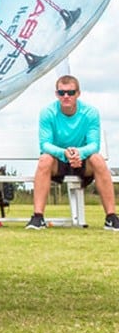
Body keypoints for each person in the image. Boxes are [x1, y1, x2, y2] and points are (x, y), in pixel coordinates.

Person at [27, 74, 118, 230]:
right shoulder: (47, 113)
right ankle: (38, 218)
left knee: (98, 159)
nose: (66, 96)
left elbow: (94, 145)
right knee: (44, 159)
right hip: (58, 161)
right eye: (62, 93)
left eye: (71, 92)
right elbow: (45, 145)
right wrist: (65, 153)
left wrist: (78, 153)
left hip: (83, 161)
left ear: (78, 93)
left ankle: (111, 218)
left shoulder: (90, 113)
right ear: (57, 94)